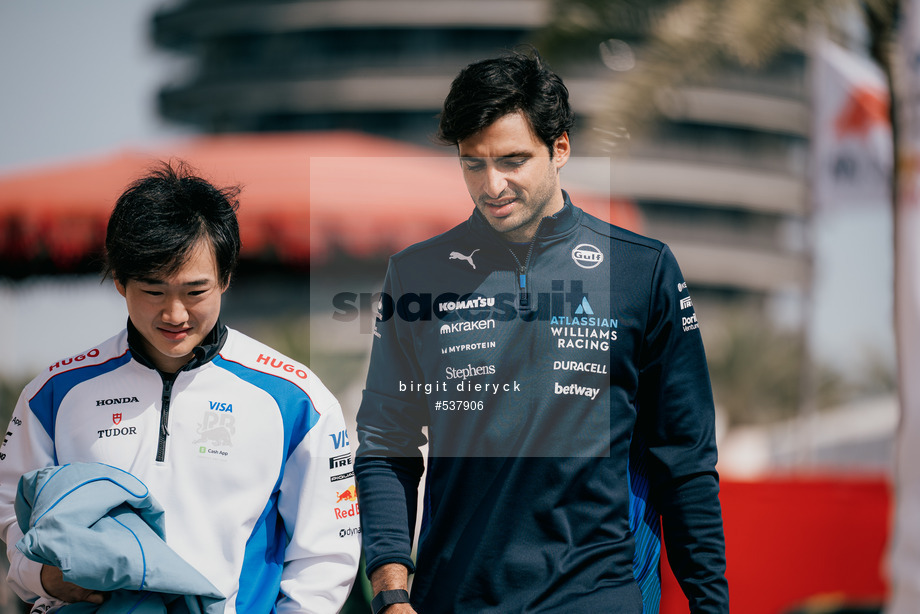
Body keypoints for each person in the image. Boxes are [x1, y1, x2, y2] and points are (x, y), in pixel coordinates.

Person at [354, 49, 728, 613]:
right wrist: (391, 592)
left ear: (560, 149)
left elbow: (686, 460)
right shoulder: (416, 274)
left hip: (596, 595)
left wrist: (710, 605)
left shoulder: (640, 269)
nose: (492, 184)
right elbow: (387, 445)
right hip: (451, 599)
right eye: (472, 163)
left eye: (512, 160)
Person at [0, 162, 361, 612]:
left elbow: (327, 551)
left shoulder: (296, 398)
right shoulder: (51, 394)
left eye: (195, 292)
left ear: (226, 279)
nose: (174, 314)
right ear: (119, 282)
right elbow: (14, 519)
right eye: (153, 291)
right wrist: (44, 578)